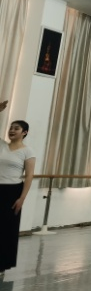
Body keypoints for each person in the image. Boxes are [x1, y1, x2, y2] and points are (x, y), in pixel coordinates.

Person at [0, 101, 35, 278]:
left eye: (17, 128)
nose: (12, 130)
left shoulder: (27, 151)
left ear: (24, 132)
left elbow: (29, 176)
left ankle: (2, 264)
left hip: (12, 192)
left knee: (6, 229)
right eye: (11, 128)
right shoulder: (2, 145)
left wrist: (22, 198)